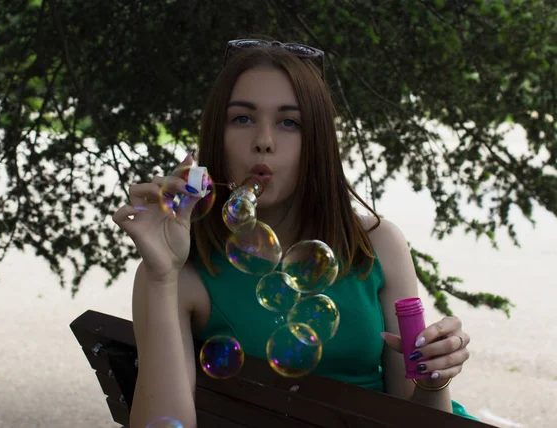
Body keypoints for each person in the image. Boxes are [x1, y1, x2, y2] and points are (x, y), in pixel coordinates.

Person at [113, 39, 476, 428]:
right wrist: (161, 275)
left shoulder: (376, 245)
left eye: (290, 122)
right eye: (242, 118)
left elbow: (417, 417)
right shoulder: (179, 274)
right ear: (216, 136)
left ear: (317, 141)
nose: (264, 140)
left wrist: (434, 378)